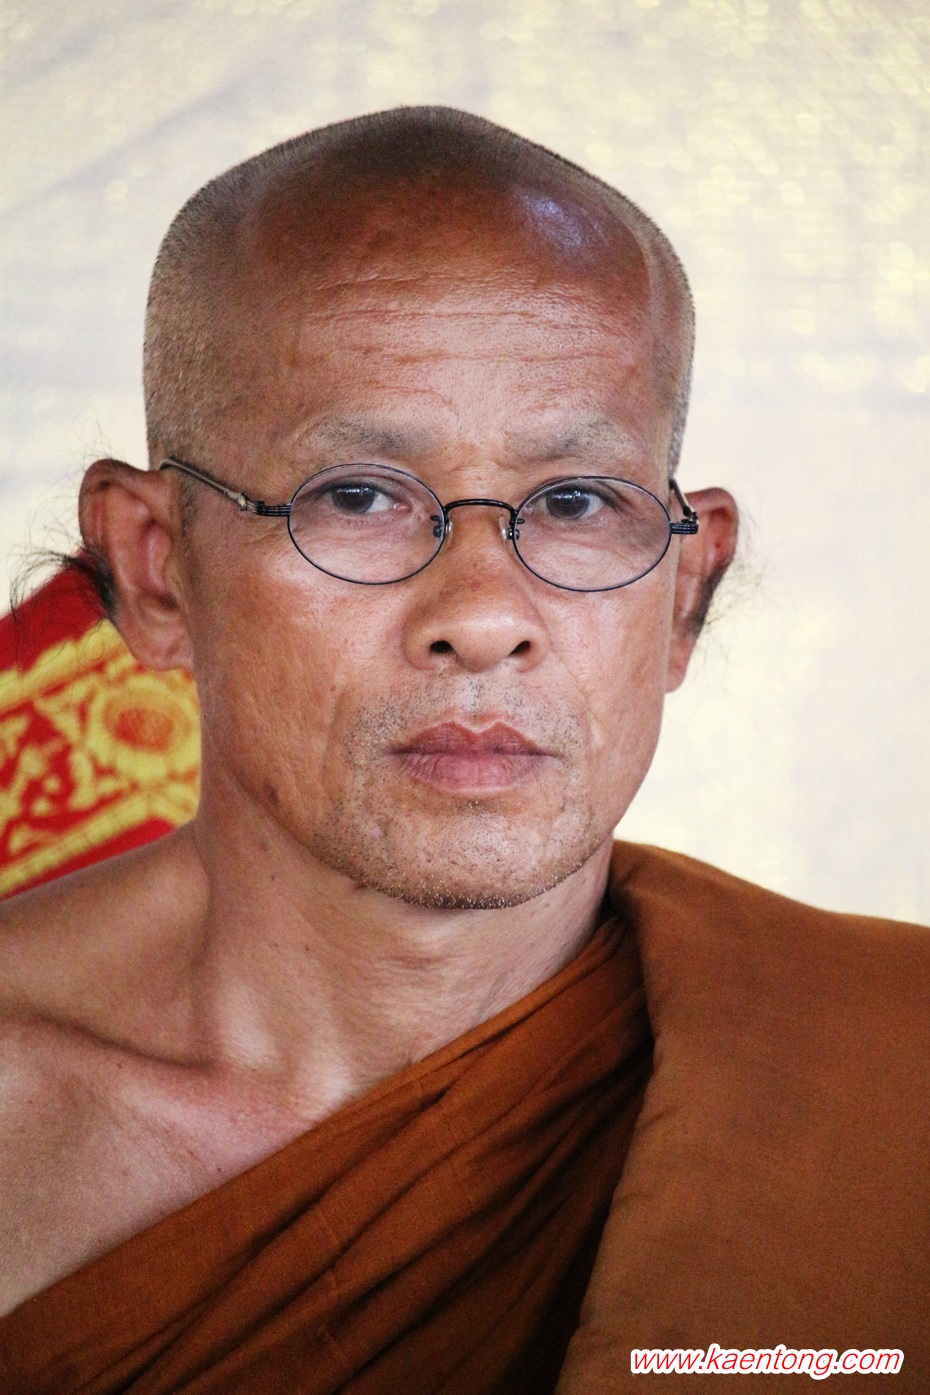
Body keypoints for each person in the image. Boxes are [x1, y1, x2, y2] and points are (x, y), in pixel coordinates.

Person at [0, 107, 927, 1395]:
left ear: (684, 590)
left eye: (577, 502)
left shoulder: (888, 1076)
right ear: (156, 570)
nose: (484, 617)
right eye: (359, 495)